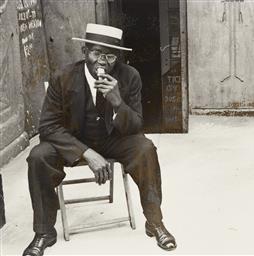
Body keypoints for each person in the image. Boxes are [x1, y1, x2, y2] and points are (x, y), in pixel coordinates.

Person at [23, 23, 177, 256]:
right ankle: (44, 231)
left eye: (110, 56)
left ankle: (154, 221)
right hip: (74, 141)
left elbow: (136, 126)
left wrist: (117, 102)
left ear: (118, 57)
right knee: (38, 156)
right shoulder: (63, 77)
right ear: (85, 52)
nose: (102, 62)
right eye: (96, 53)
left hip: (113, 139)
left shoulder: (130, 76)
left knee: (146, 148)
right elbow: (48, 127)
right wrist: (86, 153)